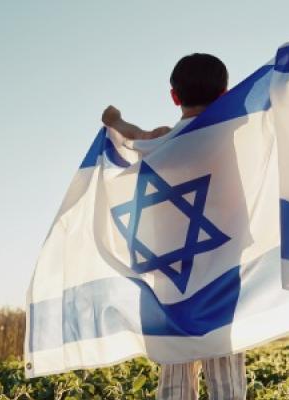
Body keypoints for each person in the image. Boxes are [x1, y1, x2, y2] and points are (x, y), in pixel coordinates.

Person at [100, 53, 247, 400]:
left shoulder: (162, 140)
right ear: (225, 94)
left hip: (170, 277)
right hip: (221, 273)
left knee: (176, 374)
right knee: (226, 374)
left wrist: (113, 118)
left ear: (174, 97)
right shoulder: (229, 135)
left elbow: (132, 134)